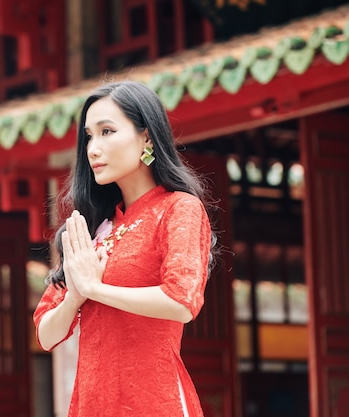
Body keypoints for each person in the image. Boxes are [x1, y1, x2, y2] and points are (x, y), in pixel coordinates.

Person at [33, 80, 218, 417]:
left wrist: (95, 288)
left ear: (146, 136)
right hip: (92, 404)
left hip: (153, 401)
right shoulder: (92, 228)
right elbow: (46, 335)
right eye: (89, 136)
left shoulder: (178, 209)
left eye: (107, 131)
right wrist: (76, 295)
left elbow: (181, 302)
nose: (93, 148)